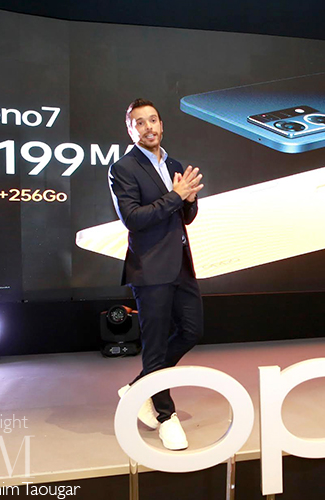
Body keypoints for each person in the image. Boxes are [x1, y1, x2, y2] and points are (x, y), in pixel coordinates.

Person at [108, 98, 204, 450]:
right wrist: (176, 196)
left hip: (181, 263)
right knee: (156, 344)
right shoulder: (123, 168)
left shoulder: (174, 164)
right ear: (130, 129)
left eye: (153, 120)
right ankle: (165, 417)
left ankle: (138, 388)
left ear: (162, 125)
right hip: (149, 268)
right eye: (140, 122)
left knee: (192, 330)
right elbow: (133, 219)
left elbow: (185, 217)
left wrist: (189, 200)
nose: (148, 127)